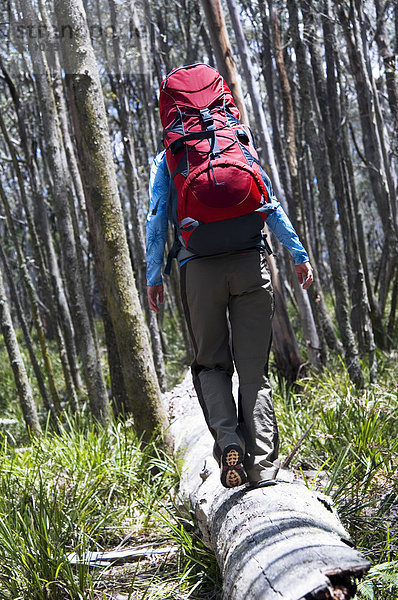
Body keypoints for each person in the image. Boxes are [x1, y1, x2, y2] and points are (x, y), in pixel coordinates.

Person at [146, 148, 313, 489]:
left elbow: (157, 215)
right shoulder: (238, 143)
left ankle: (228, 442)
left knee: (210, 365)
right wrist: (298, 253)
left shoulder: (171, 155)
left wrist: (154, 275)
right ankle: (263, 466)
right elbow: (271, 205)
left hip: (199, 269)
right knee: (254, 371)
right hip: (249, 263)